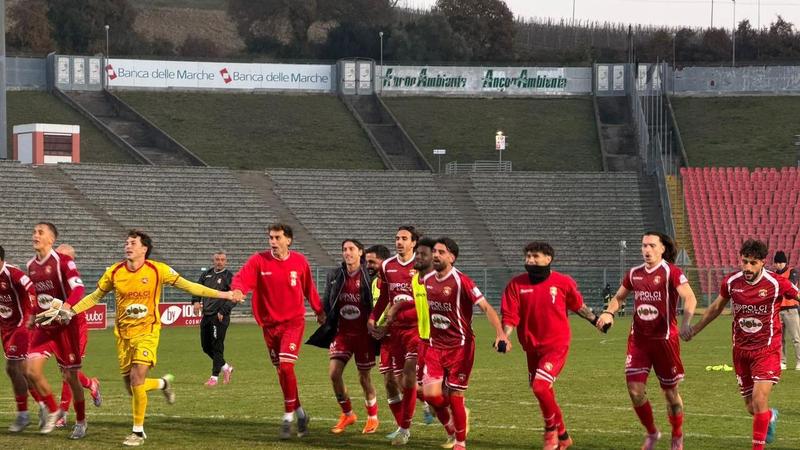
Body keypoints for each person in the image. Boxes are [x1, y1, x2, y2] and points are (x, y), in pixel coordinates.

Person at [56, 229, 243, 447]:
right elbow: (95, 297)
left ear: (144, 248)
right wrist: (71, 310)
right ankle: (163, 383)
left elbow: (190, 286)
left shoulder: (157, 270)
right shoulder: (115, 272)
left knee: (137, 378)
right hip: (123, 336)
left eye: (132, 243)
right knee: (132, 387)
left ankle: (138, 432)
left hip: (147, 332)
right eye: (126, 242)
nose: (127, 246)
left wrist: (225, 294)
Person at [685, 239, 800, 450]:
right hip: (740, 351)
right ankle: (769, 416)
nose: (747, 267)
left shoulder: (776, 283)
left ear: (763, 262)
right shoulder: (731, 282)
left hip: (767, 350)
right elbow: (715, 308)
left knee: (759, 399)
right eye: (744, 261)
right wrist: (694, 329)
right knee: (751, 407)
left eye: (753, 263)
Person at [596, 232, 697, 450]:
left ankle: (677, 434)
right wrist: (609, 313)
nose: (647, 250)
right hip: (639, 341)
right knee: (635, 390)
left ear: (662, 249)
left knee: (670, 394)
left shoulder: (671, 272)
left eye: (651, 245)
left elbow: (689, 297)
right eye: (644, 246)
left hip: (665, 342)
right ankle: (652, 432)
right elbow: (619, 297)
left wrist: (686, 322)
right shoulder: (634, 273)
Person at [501, 241, 602, 450]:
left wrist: (595, 320)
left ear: (548, 259)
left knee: (540, 386)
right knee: (543, 390)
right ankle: (563, 435)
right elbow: (510, 316)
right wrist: (504, 336)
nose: (530, 260)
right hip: (531, 347)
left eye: (535, 256)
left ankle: (550, 431)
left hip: (556, 344)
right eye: (528, 256)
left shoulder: (563, 282)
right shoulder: (516, 284)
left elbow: (578, 306)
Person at [230, 223, 325, 440]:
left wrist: (319, 311)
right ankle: (301, 414)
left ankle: (287, 418)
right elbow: (242, 279)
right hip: (269, 326)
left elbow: (309, 288)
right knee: (282, 371)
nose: (273, 242)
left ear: (288, 240)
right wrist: (238, 290)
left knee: (286, 365)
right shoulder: (259, 260)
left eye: (277, 237)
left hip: (293, 322)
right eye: (271, 238)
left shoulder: (300, 261)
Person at [421, 237, 510, 450]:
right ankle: (457, 417)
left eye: (441, 252)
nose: (436, 255)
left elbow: (486, 307)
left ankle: (460, 442)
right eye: (435, 251)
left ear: (452, 257)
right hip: (435, 346)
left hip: (460, 347)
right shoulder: (427, 279)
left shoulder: (462, 281)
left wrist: (501, 334)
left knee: (455, 396)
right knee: (430, 395)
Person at [26, 222, 90, 438]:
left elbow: (78, 288)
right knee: (30, 370)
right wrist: (33, 315)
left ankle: (81, 420)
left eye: (40, 232)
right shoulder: (31, 265)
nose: (35, 235)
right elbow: (38, 296)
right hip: (45, 327)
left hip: (66, 327)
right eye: (34, 232)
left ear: (51, 239)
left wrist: (67, 306)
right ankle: (54, 410)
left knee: (71, 377)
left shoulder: (63, 261)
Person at [318, 239, 380, 434]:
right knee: (334, 373)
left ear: (360, 252)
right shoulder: (335, 275)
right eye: (344, 249)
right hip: (342, 333)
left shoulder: (369, 276)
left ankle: (372, 417)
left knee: (364, 378)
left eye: (351, 249)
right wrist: (323, 314)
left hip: (364, 335)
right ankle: (347, 414)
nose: (347, 253)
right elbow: (328, 299)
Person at [368, 225, 420, 445]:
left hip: (418, 329)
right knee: (397, 381)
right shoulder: (387, 266)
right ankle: (432, 406)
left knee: (408, 377)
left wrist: (400, 307)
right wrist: (373, 317)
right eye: (397, 238)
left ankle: (406, 428)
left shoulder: (422, 265)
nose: (399, 242)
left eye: (404, 238)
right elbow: (384, 298)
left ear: (414, 243)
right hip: (395, 331)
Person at [53, 243, 102, 429]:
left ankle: (63, 413)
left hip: (75, 329)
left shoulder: (73, 280)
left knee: (68, 371)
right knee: (65, 372)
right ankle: (91, 383)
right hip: (59, 328)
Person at [0, 245, 37, 432]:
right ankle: (45, 404)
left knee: (12, 367)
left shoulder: (13, 274)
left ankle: (23, 415)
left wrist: (33, 313)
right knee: (22, 371)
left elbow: (31, 289)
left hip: (21, 325)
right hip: (6, 328)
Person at [192, 251, 235, 387]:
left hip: (220, 316)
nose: (219, 262)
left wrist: (223, 310)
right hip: (207, 315)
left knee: (217, 346)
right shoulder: (206, 274)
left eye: (222, 259)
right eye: (217, 259)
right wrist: (196, 301)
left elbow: (234, 296)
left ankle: (214, 377)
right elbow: (197, 288)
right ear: (213, 260)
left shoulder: (229, 276)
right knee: (205, 347)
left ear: (225, 261)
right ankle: (226, 367)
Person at [772, 251, 800, 370]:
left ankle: (799, 361)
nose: (778, 265)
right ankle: (782, 361)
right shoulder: (774, 275)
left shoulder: (793, 272)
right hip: (778, 310)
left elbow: (789, 285)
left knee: (796, 338)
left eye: (780, 262)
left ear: (785, 263)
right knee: (780, 339)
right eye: (776, 263)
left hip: (791, 309)